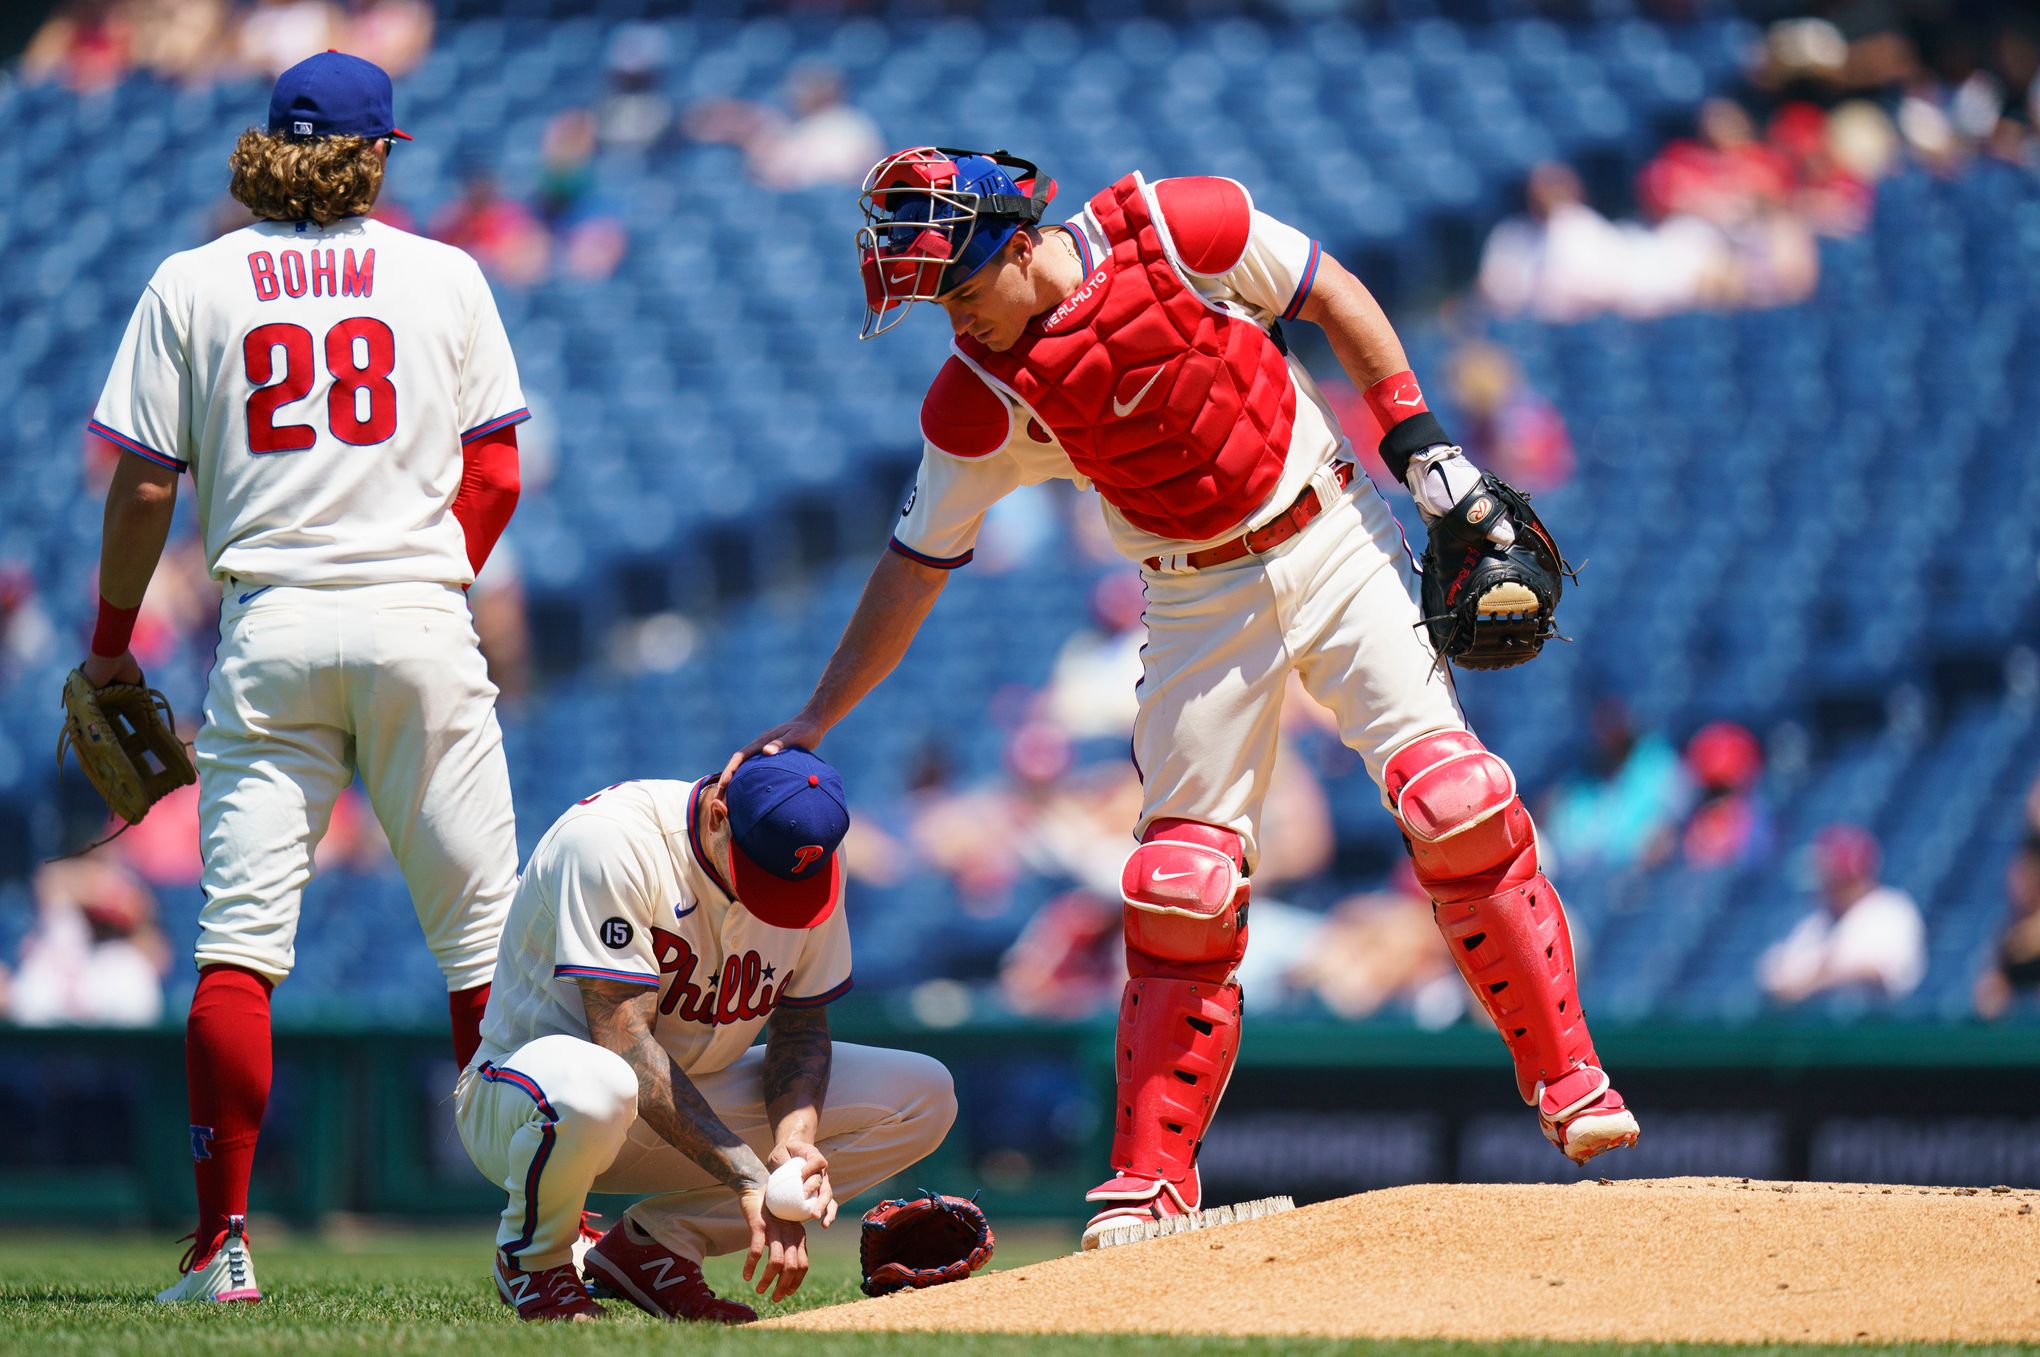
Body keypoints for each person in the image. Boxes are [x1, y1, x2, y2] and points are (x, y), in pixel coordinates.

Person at [729, 147, 1638, 1249]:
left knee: (1456, 801)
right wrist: (818, 715)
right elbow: (913, 565)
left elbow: (1330, 289)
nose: (956, 323)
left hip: (1332, 529)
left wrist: (1421, 443)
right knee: (1180, 882)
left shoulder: (1172, 224)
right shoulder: (976, 397)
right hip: (1195, 594)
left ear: (1021, 246)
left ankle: (1568, 1077)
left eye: (963, 291)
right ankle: (1151, 1178)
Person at [82, 52, 528, 1302]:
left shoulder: (192, 279)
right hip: (418, 620)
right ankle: (530, 1233)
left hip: (268, 625)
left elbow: (147, 480)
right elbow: (493, 474)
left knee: (237, 950)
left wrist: (113, 638)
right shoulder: (446, 273)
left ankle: (221, 1241)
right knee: (484, 946)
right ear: (380, 153)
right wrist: (424, 579)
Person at [457, 751, 955, 1322]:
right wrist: (746, 1172)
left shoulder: (805, 856)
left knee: (926, 1095)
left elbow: (799, 1023)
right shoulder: (607, 842)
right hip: (529, 1103)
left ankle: (656, 1247)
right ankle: (535, 1261)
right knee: (600, 1085)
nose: (766, 896)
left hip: (685, 1104)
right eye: (757, 874)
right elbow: (621, 1037)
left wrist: (795, 1143)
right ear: (719, 812)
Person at [1758, 824, 1926, 1006]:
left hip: (1878, 1029)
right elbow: (1776, 981)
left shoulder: (1890, 910)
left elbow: (1878, 972)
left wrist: (1816, 980)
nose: (1822, 888)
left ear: (1849, 879)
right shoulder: (1815, 923)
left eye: (1829, 878)